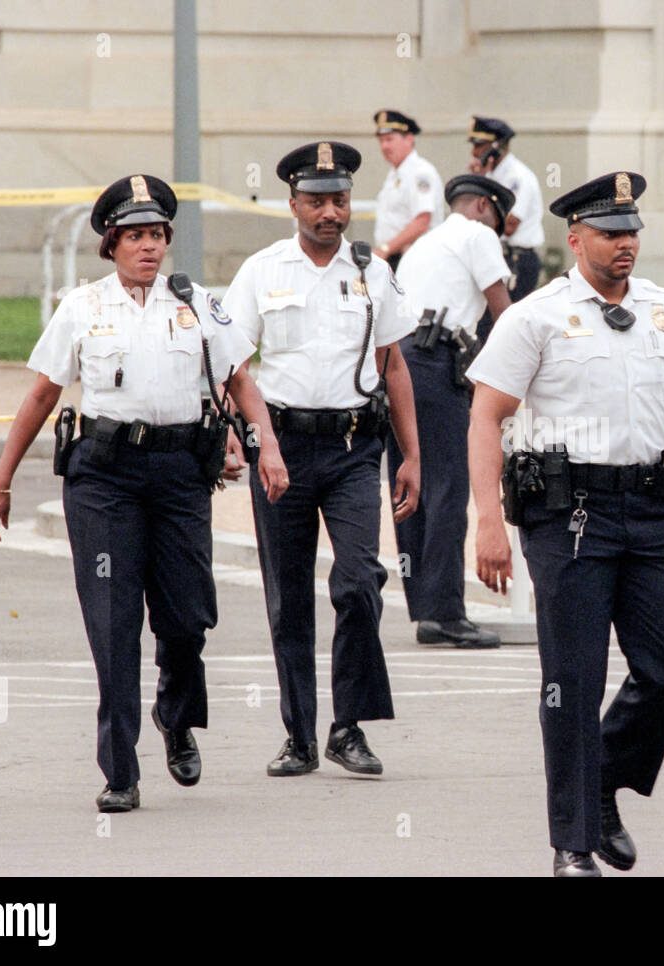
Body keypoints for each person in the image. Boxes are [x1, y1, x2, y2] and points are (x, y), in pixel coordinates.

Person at [466, 171, 664, 877]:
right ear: (575, 239)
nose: (625, 243)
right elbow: (487, 414)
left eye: (632, 232)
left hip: (654, 510)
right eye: (610, 233)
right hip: (569, 516)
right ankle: (572, 840)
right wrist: (489, 523)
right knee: (572, 677)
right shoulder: (534, 316)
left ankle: (598, 781)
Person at [0, 174, 288, 812]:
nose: (148, 247)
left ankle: (175, 718)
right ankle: (120, 771)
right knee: (113, 623)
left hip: (178, 476)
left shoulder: (198, 302)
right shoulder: (83, 307)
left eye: (157, 236)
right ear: (111, 245)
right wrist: (0, 479)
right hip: (104, 477)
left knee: (186, 618)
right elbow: (42, 393)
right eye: (135, 236)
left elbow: (238, 380)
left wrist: (268, 447)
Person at [220, 141, 421, 779]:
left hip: (355, 448)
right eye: (316, 201)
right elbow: (234, 363)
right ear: (293, 205)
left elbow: (393, 364)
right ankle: (299, 737)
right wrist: (249, 439)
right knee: (289, 598)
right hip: (282, 448)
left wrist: (410, 454)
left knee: (360, 583)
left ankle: (348, 728)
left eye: (339, 200)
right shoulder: (262, 270)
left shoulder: (373, 272)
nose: (330, 212)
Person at [389, 174, 515, 647]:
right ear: (483, 206)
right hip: (435, 362)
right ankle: (445, 613)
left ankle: (426, 608)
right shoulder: (477, 233)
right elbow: (506, 315)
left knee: (412, 484)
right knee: (447, 486)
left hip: (397, 361)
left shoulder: (423, 244)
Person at [466, 115, 546, 302]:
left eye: (479, 145)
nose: (474, 152)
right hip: (499, 255)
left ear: (496, 147)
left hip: (516, 260)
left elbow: (509, 225)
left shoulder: (516, 177)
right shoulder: (492, 175)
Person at [372, 110, 443, 271]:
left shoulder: (420, 173)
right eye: (381, 140)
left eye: (389, 139)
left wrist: (385, 249)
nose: (384, 146)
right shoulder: (394, 174)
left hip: (414, 260)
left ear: (409, 139)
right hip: (395, 258)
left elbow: (422, 220)